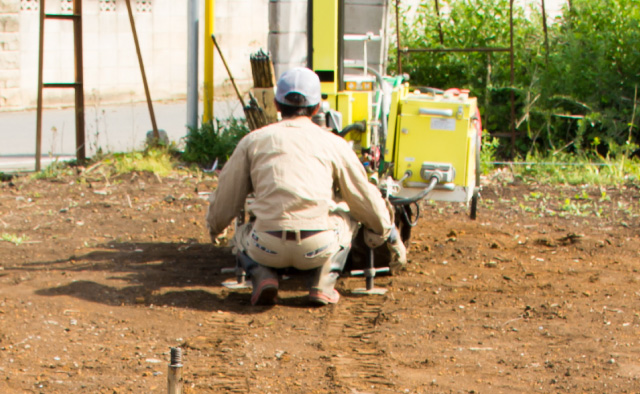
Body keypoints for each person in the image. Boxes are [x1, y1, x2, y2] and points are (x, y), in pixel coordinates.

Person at [206, 67, 405, 306]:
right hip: (318, 247)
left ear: (277, 106)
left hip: (265, 246)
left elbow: (227, 198)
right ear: (317, 108)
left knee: (240, 234)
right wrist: (386, 230)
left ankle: (262, 275)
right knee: (348, 215)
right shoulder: (334, 143)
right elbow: (363, 198)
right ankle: (324, 282)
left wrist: (215, 228)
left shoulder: (253, 141)